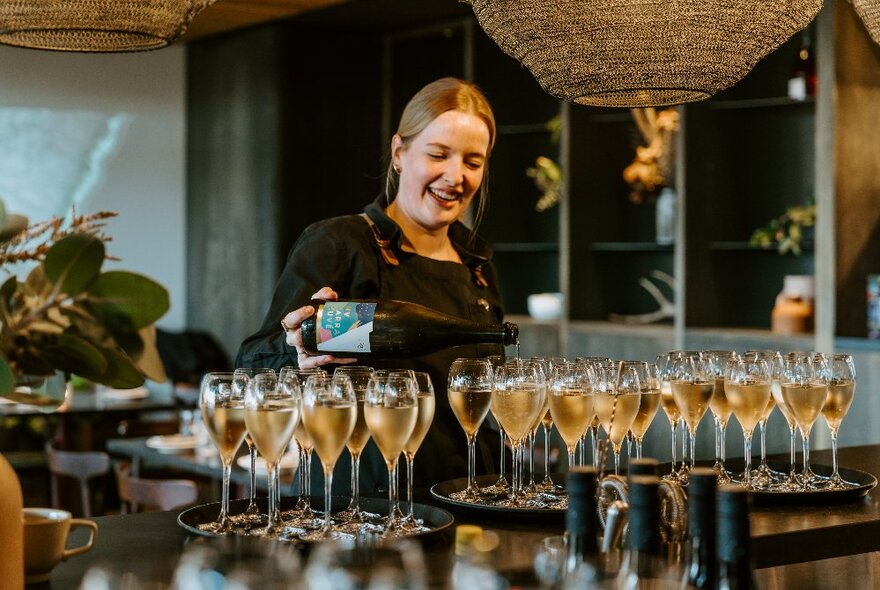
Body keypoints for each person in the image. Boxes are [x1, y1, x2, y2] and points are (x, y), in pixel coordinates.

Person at [236, 77, 505, 495]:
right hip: (363, 503)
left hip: (470, 494)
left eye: (473, 162)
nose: (456, 176)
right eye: (438, 154)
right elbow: (251, 366)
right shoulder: (342, 244)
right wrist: (298, 355)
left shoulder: (477, 265)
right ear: (399, 153)